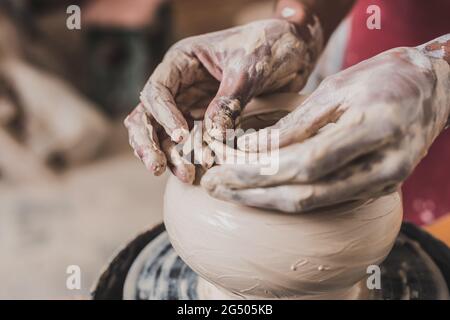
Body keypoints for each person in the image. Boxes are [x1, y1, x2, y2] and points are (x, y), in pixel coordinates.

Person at [125, 0, 450, 225]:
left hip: (423, 82)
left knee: (381, 214)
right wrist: (298, 24)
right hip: (377, 44)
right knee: (331, 158)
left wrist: (438, 71)